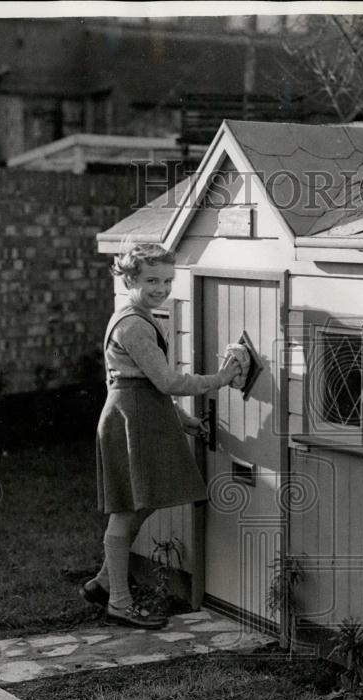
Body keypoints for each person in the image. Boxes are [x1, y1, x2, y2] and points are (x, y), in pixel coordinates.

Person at [82, 243, 242, 629]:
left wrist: (179, 420)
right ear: (130, 279)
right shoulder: (134, 324)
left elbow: (142, 383)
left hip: (140, 413)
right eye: (152, 280)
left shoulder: (138, 315)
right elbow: (167, 381)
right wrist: (220, 378)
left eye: (168, 280)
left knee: (143, 503)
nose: (161, 288)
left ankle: (105, 582)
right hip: (132, 418)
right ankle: (119, 602)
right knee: (127, 510)